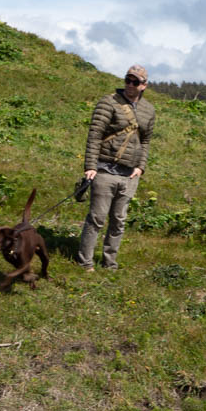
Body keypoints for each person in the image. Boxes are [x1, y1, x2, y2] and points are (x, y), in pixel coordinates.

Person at [77, 65, 155, 272]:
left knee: (119, 221)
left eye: (135, 82)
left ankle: (110, 263)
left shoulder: (149, 110)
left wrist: (141, 167)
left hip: (130, 175)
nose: (130, 84)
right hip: (104, 170)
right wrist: (91, 166)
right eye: (127, 80)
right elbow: (95, 134)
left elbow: (146, 141)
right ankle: (85, 263)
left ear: (144, 85)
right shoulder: (108, 102)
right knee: (97, 219)